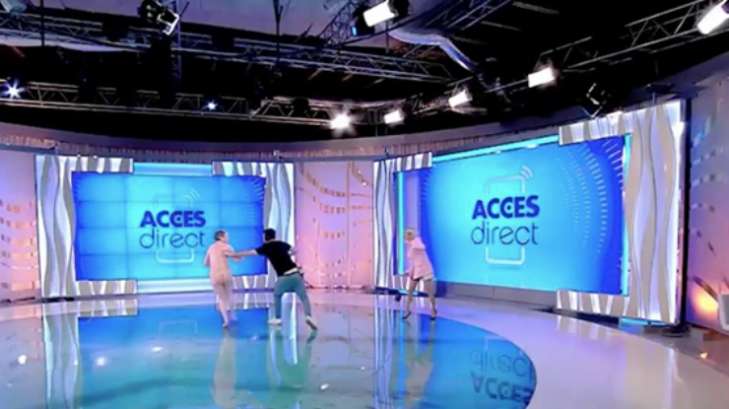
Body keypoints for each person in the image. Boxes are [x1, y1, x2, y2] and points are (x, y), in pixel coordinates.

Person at [234, 228, 318, 330]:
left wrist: (235, 254)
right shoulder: (281, 244)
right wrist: (287, 254)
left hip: (284, 277)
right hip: (296, 274)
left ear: (265, 237)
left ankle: (278, 318)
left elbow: (250, 253)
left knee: (277, 295)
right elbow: (294, 250)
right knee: (304, 297)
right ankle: (308, 316)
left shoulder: (266, 247)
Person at [204, 230, 238, 328]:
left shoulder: (211, 247)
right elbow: (236, 258)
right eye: (226, 236)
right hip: (226, 274)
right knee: (229, 295)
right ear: (221, 237)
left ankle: (226, 320)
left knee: (221, 299)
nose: (228, 238)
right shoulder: (227, 247)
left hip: (215, 275)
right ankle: (232, 314)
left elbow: (205, 263)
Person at [403, 229, 437, 320]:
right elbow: (413, 261)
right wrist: (409, 271)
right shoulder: (409, 246)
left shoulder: (417, 241)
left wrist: (414, 240)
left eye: (410, 234)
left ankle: (433, 310)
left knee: (429, 292)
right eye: (407, 234)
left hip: (425, 269)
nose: (408, 235)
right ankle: (407, 310)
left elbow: (422, 247)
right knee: (410, 290)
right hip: (416, 270)